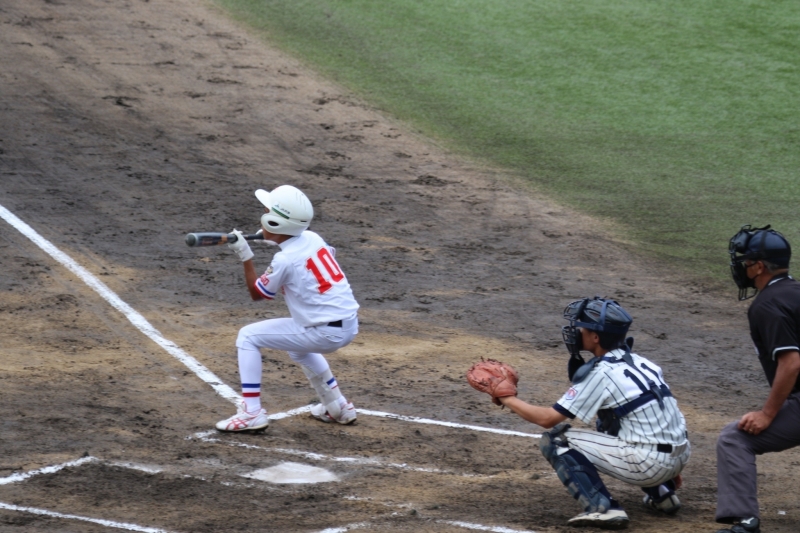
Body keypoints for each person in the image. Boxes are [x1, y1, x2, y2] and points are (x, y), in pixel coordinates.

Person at [494, 297, 690, 530]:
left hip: (650, 464)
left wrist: (506, 398)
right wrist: (671, 469)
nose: (576, 332)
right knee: (606, 422)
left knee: (557, 440)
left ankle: (604, 508)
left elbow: (547, 419)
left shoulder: (602, 373)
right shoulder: (643, 363)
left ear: (595, 337)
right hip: (680, 455)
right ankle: (662, 493)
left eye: (581, 328)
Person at [214, 185, 360, 431]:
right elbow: (305, 257)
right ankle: (338, 407)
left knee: (247, 336)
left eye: (267, 212)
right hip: (348, 325)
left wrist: (245, 255)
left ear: (276, 222)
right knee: (298, 350)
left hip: (323, 332)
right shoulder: (313, 238)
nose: (263, 214)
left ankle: (251, 413)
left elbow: (258, 293)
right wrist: (274, 239)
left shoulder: (284, 260)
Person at [715, 225, 800, 533]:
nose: (742, 267)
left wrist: (767, 413)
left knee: (734, 438)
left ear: (760, 266)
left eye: (746, 262)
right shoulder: (795, 292)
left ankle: (745, 521)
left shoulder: (767, 304)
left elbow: (791, 364)